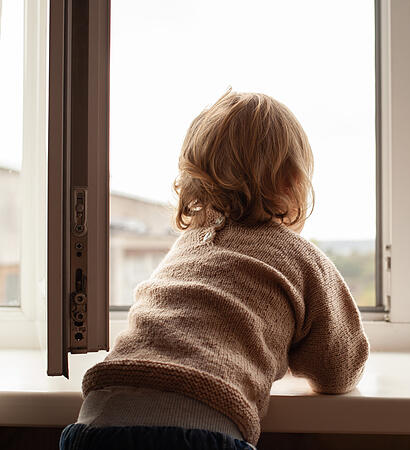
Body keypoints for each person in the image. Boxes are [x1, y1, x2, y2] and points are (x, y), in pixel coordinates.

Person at [60, 90, 369, 450]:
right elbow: (338, 368)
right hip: (197, 431)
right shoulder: (300, 256)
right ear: (293, 183)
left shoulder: (187, 247)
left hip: (95, 422)